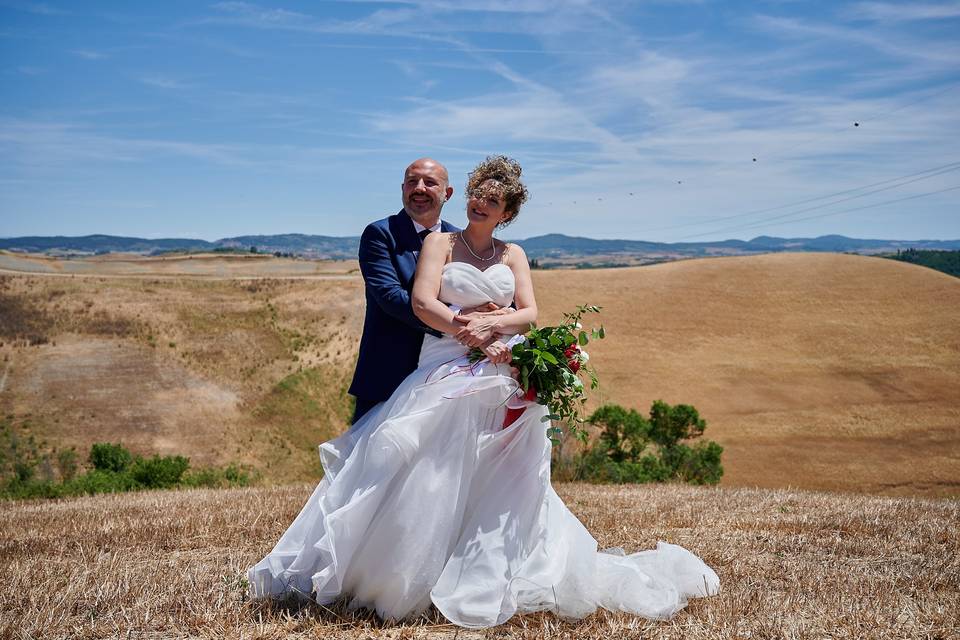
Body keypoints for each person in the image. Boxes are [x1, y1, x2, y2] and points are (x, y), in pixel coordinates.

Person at [247, 156, 720, 628]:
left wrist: (496, 328)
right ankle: (385, 570)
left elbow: (527, 310)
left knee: (486, 471)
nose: (479, 203)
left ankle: (480, 568)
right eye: (414, 181)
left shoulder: (507, 251)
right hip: (425, 364)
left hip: (493, 365)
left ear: (502, 211)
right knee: (406, 469)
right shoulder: (411, 238)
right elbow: (409, 299)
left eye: (491, 200)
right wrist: (467, 327)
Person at [347, 157, 509, 423]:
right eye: (412, 182)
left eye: (430, 183)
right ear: (403, 189)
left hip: (450, 378)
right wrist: (463, 317)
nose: (419, 188)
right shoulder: (380, 234)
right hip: (390, 374)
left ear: (448, 193)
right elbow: (391, 297)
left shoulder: (461, 240)